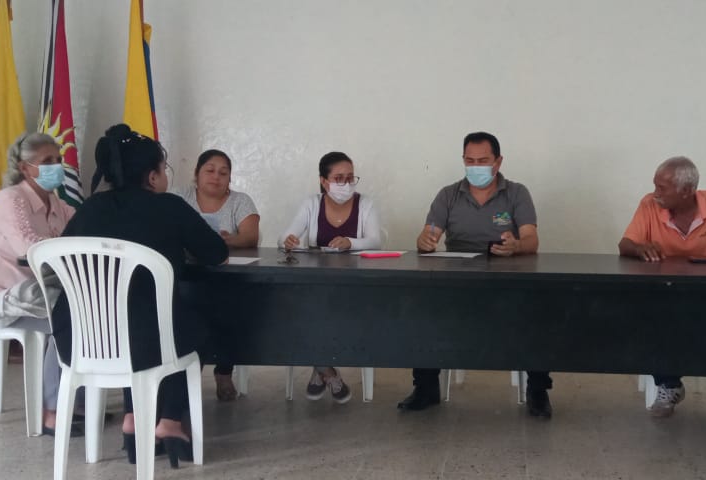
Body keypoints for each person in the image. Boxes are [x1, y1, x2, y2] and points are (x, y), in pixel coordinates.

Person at [51, 124, 229, 468]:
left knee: (136, 320)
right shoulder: (170, 206)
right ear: (152, 176)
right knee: (195, 328)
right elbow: (216, 253)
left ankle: (133, 418)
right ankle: (170, 422)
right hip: (147, 340)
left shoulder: (89, 208)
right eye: (164, 168)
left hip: (79, 340)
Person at [403, 131, 552, 417]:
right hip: (457, 280)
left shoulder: (517, 193)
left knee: (536, 310)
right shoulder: (448, 195)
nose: (476, 167)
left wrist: (516, 246)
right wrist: (424, 241)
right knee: (423, 307)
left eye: (483, 161)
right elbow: (429, 234)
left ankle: (538, 390)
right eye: (469, 161)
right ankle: (425, 387)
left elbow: (532, 240)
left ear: (498, 162)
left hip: (507, 279)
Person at [618, 156, 706, 418]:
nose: (655, 193)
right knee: (651, 315)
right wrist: (639, 248)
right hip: (663, 289)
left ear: (687, 190)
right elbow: (625, 244)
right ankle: (669, 384)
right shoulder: (649, 204)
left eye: (662, 188)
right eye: (655, 185)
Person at [0, 132, 79, 436]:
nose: (56, 166)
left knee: (84, 308)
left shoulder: (56, 203)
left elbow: (82, 230)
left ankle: (73, 401)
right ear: (24, 167)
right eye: (47, 161)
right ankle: (50, 411)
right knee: (68, 317)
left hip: (33, 294)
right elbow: (28, 249)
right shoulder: (10, 199)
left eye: (58, 160)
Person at [281, 151, 383, 404]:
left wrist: (351, 242)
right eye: (339, 178)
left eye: (350, 177)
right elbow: (284, 237)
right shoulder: (311, 204)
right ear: (324, 181)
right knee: (299, 311)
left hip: (355, 285)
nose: (346, 184)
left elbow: (376, 241)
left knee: (322, 314)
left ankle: (320, 369)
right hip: (316, 283)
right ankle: (327, 371)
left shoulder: (365, 204)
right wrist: (288, 241)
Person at [174, 149, 260, 401]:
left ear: (230, 178)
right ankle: (185, 376)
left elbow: (250, 236)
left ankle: (224, 371)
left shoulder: (240, 200)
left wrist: (224, 240)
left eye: (223, 173)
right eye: (210, 171)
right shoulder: (179, 197)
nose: (216, 177)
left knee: (231, 310)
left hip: (227, 277)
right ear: (196, 174)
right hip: (185, 276)